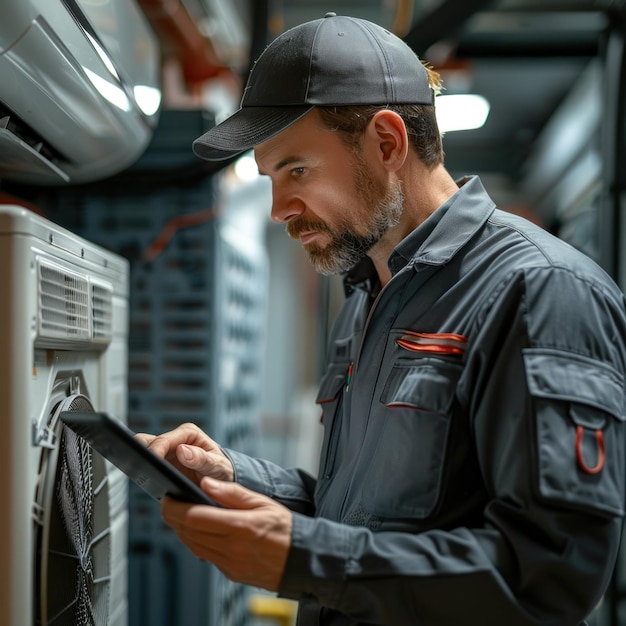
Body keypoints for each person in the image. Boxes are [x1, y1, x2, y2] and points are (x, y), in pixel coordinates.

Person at [137, 13, 626, 626]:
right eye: (270, 178)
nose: (277, 208)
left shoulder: (540, 292)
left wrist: (306, 559)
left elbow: (548, 577)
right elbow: (361, 518)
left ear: (388, 143)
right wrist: (240, 478)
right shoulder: (369, 295)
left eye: (296, 170)